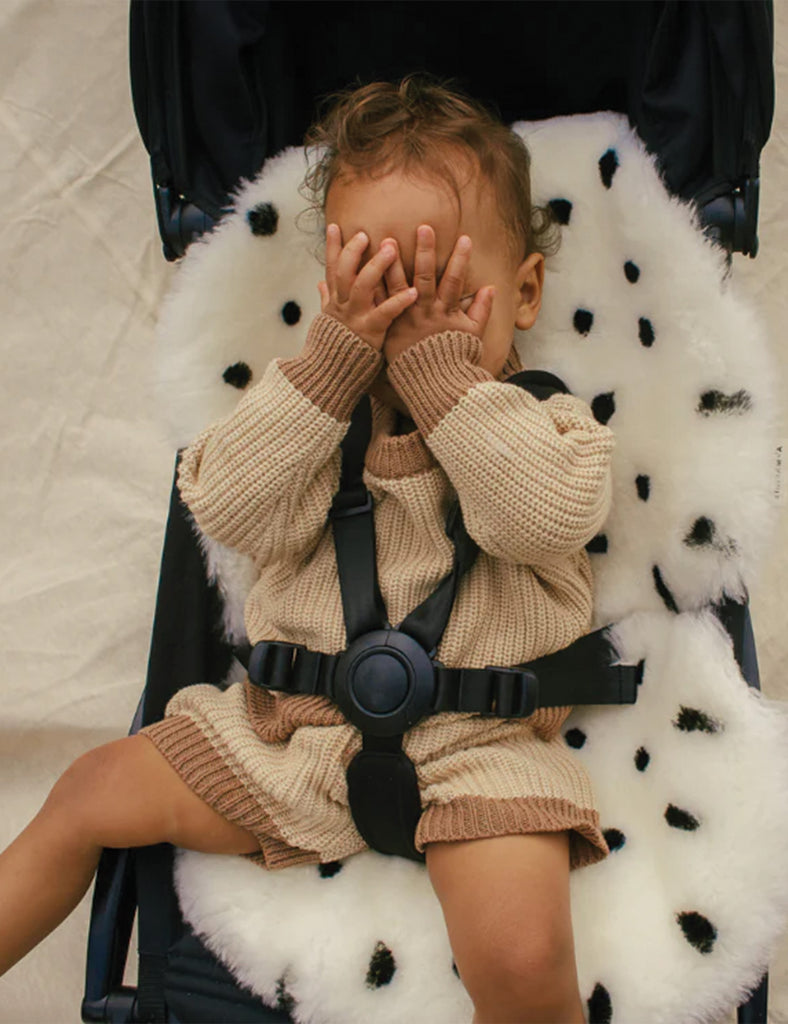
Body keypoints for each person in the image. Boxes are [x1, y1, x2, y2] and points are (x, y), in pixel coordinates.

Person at [0, 75, 615, 1023]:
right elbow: (226, 509)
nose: (409, 317)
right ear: (332, 291)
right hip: (293, 737)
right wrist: (327, 367)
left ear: (523, 291)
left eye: (440, 285)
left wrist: (448, 383)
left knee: (524, 951)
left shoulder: (546, 423)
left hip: (479, 752)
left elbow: (539, 519)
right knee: (89, 789)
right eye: (378, 280)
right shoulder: (313, 420)